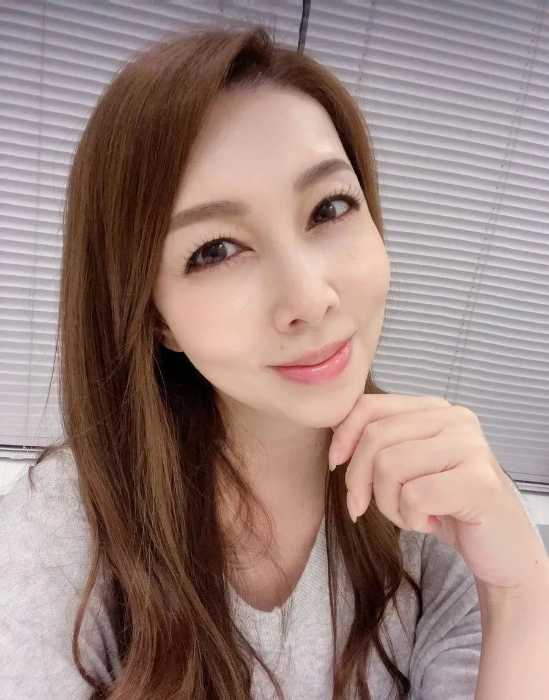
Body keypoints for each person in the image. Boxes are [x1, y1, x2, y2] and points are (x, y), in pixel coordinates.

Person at [1, 23, 545, 700]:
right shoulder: (57, 540)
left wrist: (520, 593)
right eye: (216, 250)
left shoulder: (437, 508)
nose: (309, 300)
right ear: (155, 316)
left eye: (329, 208)